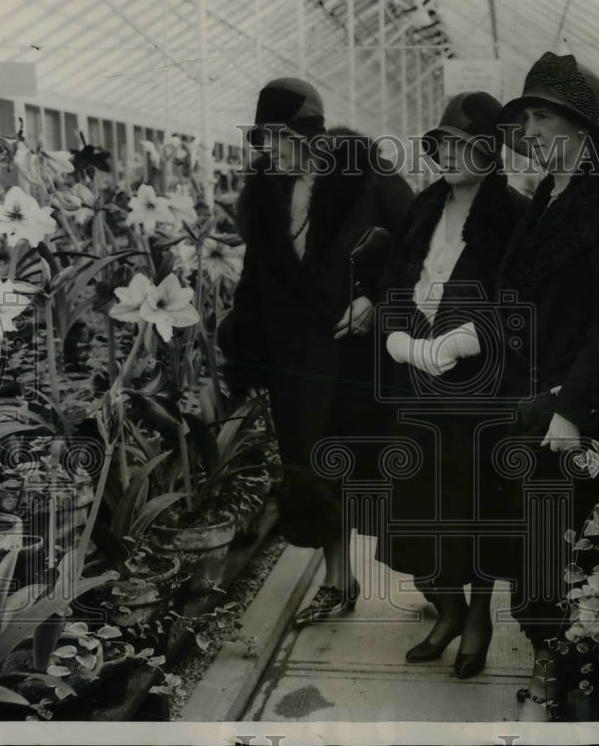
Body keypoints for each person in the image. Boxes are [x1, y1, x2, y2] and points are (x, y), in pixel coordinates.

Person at [484, 52, 599, 720]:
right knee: (533, 539)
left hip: (572, 407)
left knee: (561, 541)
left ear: (580, 127)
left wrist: (574, 410)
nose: (527, 128)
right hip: (533, 395)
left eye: (541, 115)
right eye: (524, 115)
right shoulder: (554, 190)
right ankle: (549, 653)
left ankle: (564, 672)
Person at [218, 77, 414, 628]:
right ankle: (338, 579)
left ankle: (430, 576)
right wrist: (246, 353)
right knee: (311, 469)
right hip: (295, 356)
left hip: (358, 352)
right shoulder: (264, 193)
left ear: (309, 133)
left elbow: (415, 245)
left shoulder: (367, 174)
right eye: (263, 138)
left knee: (363, 462)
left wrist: (377, 300)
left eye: (279, 137)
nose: (270, 149)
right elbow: (256, 278)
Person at [375, 92, 528, 678]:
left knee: (474, 506)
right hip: (414, 385)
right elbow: (397, 280)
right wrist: (402, 341)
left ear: (492, 152)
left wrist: (460, 342)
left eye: (468, 144)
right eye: (444, 142)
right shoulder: (422, 208)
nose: (453, 153)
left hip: (479, 391)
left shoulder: (513, 214)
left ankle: (480, 618)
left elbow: (519, 299)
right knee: (418, 506)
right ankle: (447, 608)